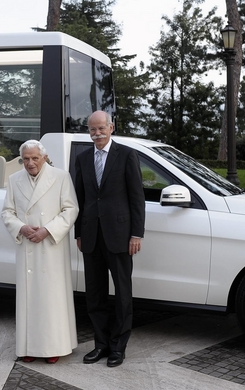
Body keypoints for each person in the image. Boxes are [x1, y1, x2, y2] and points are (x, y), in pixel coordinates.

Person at [74, 110, 146, 368]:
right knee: (95, 295)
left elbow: (137, 197)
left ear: (111, 127)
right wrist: (79, 233)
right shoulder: (82, 158)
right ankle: (101, 345)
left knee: (123, 294)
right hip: (91, 237)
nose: (97, 133)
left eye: (101, 128)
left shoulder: (127, 155)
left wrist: (136, 234)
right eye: (92, 129)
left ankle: (118, 348)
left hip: (120, 236)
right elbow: (79, 200)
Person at [1, 140, 79, 364]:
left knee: (51, 299)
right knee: (29, 299)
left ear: (44, 157)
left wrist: (48, 230)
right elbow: (7, 212)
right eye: (26, 159)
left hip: (51, 246)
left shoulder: (61, 176)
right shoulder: (14, 180)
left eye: (35, 158)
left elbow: (71, 209)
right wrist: (21, 228)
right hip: (27, 244)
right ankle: (28, 346)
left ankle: (53, 346)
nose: (30, 163)